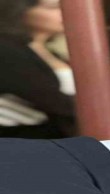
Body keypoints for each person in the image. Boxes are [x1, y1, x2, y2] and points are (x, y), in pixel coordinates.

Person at [0, 0, 75, 138]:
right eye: (53, 7)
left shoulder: (48, 50)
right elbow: (50, 99)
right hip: (23, 138)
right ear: (21, 10)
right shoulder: (6, 51)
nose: (65, 13)